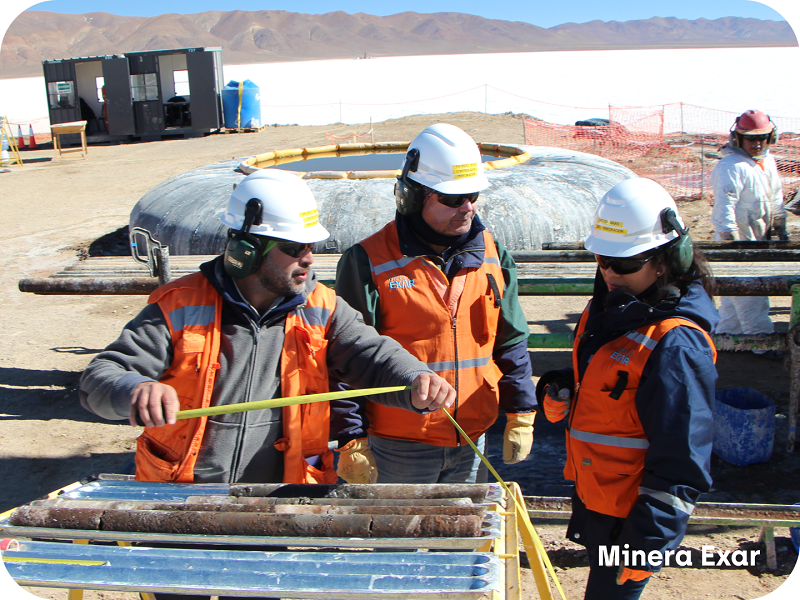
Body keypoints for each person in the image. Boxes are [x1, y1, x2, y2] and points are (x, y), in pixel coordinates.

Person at [80, 168, 455, 485]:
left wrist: (415, 378)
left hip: (285, 501)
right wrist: (135, 389)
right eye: (293, 248)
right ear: (247, 250)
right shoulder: (179, 305)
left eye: (310, 246)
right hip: (183, 497)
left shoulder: (321, 306)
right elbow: (101, 377)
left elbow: (371, 355)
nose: (308, 259)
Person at [536, 178, 718, 600]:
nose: (610, 273)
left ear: (665, 261)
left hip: (631, 519)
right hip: (598, 500)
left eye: (625, 264)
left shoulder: (676, 344)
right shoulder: (610, 308)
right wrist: (563, 386)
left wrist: (647, 545)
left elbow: (682, 459)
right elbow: (610, 378)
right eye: (603, 260)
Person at [333, 123, 537, 485]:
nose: (467, 207)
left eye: (472, 195)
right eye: (452, 199)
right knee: (402, 525)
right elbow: (348, 356)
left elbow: (510, 340)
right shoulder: (368, 260)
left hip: (473, 436)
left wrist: (521, 410)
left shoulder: (494, 254)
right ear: (413, 197)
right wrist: (352, 437)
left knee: (465, 522)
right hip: (399, 446)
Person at [711, 109, 786, 339]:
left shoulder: (767, 162)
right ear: (738, 138)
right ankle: (761, 339)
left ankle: (728, 335)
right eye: (751, 139)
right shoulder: (731, 166)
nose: (757, 144)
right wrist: (731, 241)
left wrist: (780, 223)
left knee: (733, 301)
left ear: (771, 138)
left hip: (758, 239)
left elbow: (776, 196)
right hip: (739, 241)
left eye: (762, 138)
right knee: (750, 295)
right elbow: (724, 206)